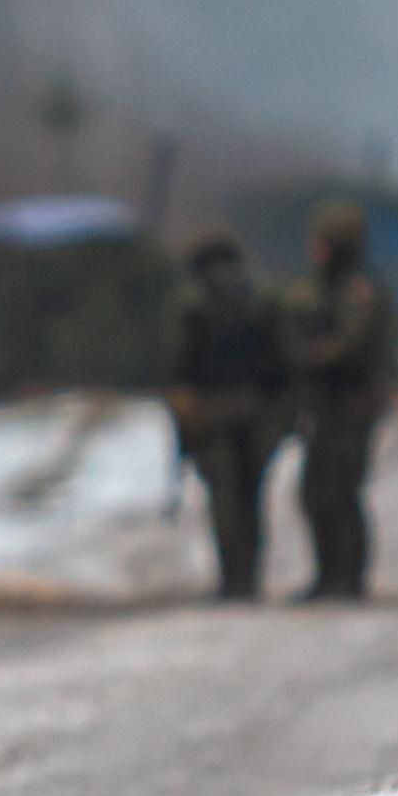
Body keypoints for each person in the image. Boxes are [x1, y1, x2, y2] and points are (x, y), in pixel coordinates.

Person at [280, 198, 398, 602]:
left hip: (353, 402)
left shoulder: (358, 292)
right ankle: (328, 573)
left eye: (323, 243)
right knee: (316, 490)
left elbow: (350, 345)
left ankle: (347, 577)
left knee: (342, 487)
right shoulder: (319, 289)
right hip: (326, 402)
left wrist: (305, 356)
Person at [166, 227, 288, 601]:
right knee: (252, 494)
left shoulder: (195, 304)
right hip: (257, 409)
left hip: (214, 412)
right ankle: (251, 576)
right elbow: (283, 358)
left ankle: (233, 579)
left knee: (224, 498)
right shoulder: (263, 298)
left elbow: (180, 365)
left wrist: (183, 413)